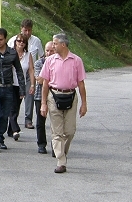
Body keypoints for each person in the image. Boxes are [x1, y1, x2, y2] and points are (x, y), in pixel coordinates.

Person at [40, 33, 87, 173]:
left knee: (70, 131)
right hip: (54, 96)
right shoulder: (49, 61)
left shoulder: (76, 60)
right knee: (57, 132)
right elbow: (45, 84)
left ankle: (62, 151)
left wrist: (84, 103)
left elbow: (81, 84)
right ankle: (61, 161)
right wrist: (43, 103)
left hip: (71, 96)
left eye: (55, 44)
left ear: (63, 45)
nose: (52, 46)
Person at [8, 19, 44, 129]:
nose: (27, 33)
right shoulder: (13, 40)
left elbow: (41, 56)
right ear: (21, 29)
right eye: (25, 30)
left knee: (29, 95)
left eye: (29, 30)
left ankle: (28, 119)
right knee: (15, 100)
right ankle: (12, 122)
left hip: (29, 71)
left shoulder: (36, 41)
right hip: (16, 72)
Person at [7, 33, 35, 141]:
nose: (21, 43)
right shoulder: (11, 53)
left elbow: (31, 70)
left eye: (23, 41)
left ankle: (10, 130)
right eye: (19, 41)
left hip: (21, 84)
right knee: (12, 107)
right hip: (10, 83)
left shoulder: (28, 55)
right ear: (15, 42)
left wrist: (32, 84)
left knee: (16, 107)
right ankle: (15, 129)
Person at [34, 41, 55, 154]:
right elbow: (40, 80)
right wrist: (47, 65)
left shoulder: (58, 63)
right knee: (40, 121)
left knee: (55, 122)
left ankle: (55, 146)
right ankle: (41, 144)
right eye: (47, 51)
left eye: (52, 51)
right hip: (39, 95)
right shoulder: (39, 63)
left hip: (54, 95)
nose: (49, 53)